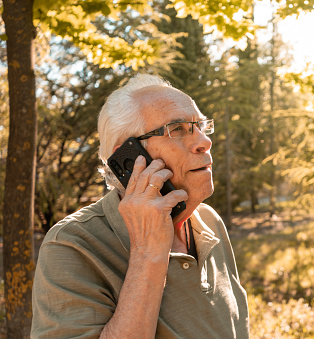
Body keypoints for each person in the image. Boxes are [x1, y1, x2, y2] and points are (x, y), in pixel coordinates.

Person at [31, 74, 249, 338]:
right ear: (130, 158)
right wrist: (148, 253)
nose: (204, 141)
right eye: (177, 129)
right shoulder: (71, 245)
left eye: (201, 125)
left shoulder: (208, 220)